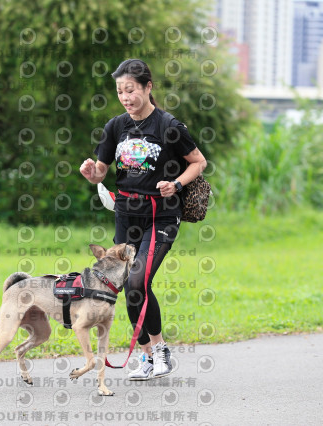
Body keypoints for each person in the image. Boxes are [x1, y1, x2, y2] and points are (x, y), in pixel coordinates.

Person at [79, 59, 207, 380]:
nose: (126, 97)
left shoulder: (169, 126)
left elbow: (198, 162)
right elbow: (102, 171)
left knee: (138, 279)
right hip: (126, 216)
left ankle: (161, 349)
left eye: (131, 90)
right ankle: (149, 357)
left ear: (148, 87)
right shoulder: (115, 127)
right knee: (129, 285)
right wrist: (92, 174)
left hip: (161, 215)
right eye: (121, 91)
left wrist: (176, 184)